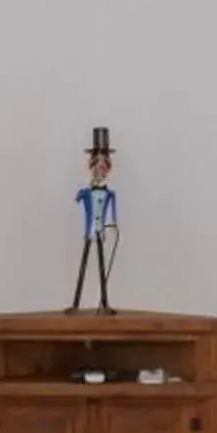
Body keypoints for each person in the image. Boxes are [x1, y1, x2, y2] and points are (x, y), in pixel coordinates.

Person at [72, 128, 119, 315]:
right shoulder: (85, 192)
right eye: (97, 165)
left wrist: (113, 225)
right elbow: (78, 199)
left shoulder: (110, 194)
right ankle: (75, 303)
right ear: (91, 166)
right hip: (89, 230)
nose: (100, 169)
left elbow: (112, 212)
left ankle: (105, 303)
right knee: (83, 265)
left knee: (101, 266)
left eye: (103, 166)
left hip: (101, 230)